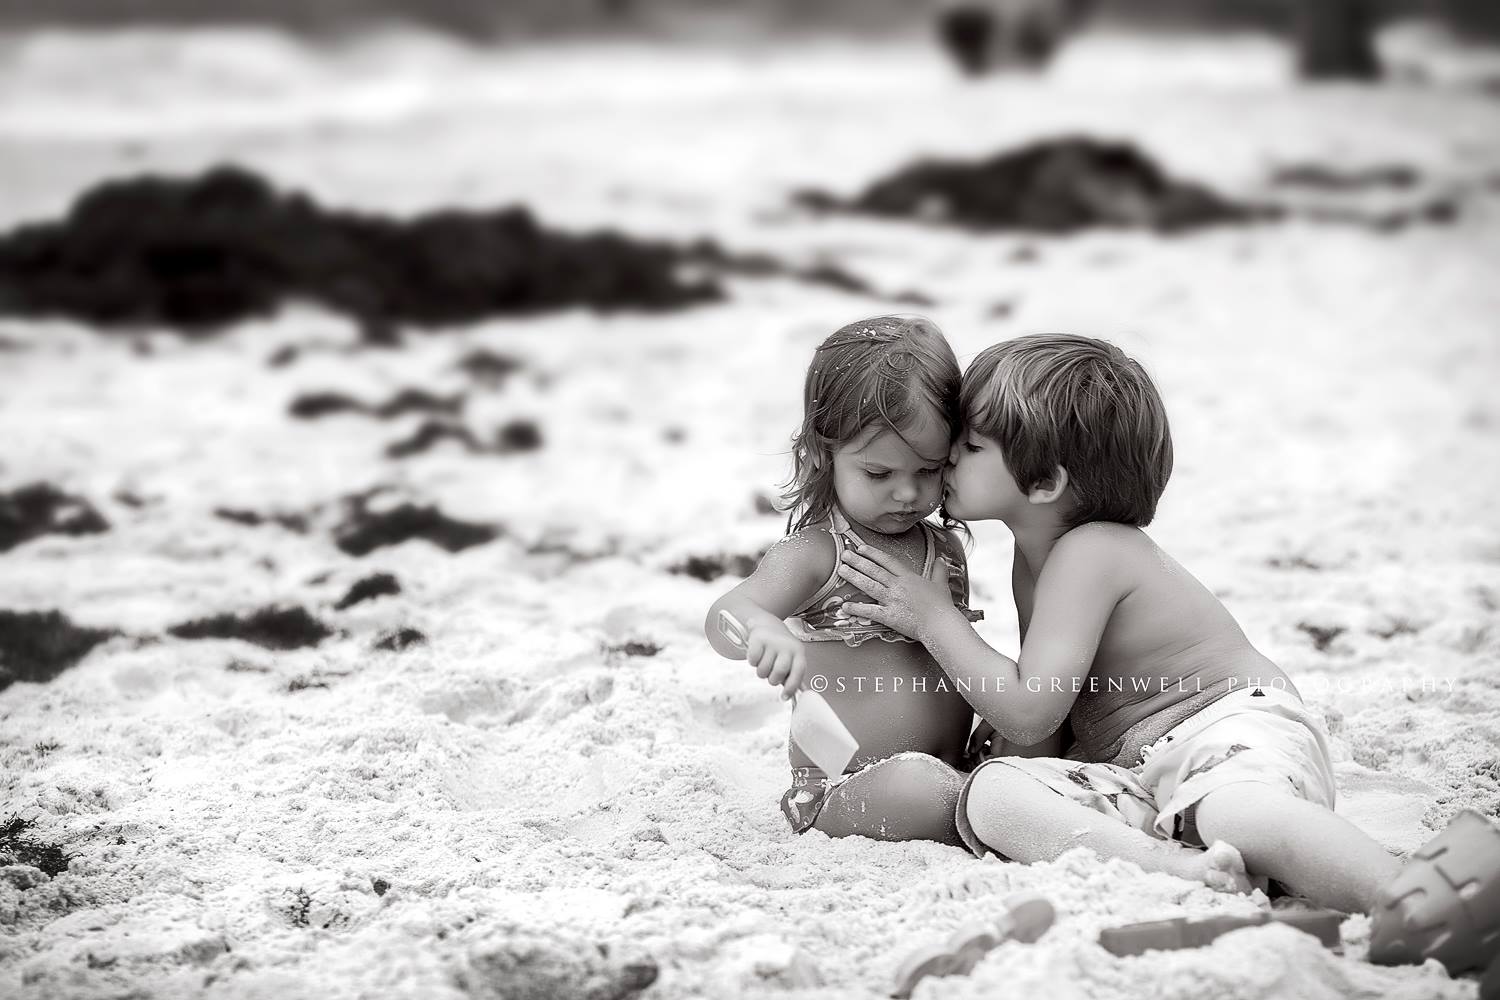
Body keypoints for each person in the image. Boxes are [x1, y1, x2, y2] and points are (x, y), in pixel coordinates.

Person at [835, 333, 1406, 904]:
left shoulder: (1094, 551)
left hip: (1226, 734)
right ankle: (1176, 867)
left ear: (1043, 482)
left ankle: (1403, 895)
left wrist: (936, 620)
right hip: (1145, 775)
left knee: (1234, 813)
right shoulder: (1033, 558)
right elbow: (1046, 721)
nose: (950, 455)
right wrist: (1004, 745)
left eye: (974, 445)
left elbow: (1032, 711)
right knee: (992, 796)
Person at [704, 315, 985, 845]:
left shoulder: (942, 549)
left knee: (1035, 733)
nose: (907, 494)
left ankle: (983, 798)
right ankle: (986, 807)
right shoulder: (818, 553)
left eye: (928, 471)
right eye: (879, 474)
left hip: (954, 763)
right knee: (921, 787)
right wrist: (762, 629)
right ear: (821, 454)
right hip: (843, 787)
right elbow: (726, 614)